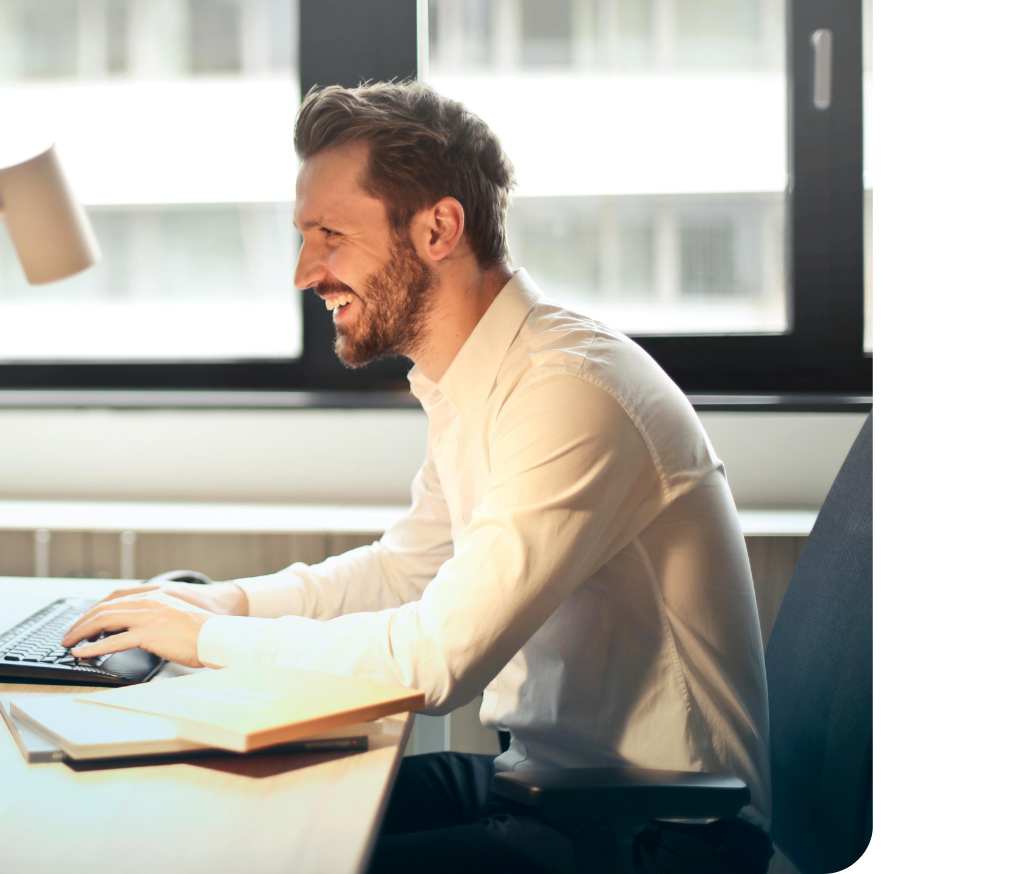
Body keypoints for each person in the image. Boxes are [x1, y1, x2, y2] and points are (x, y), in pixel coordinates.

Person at [61, 81, 774, 874]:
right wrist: (224, 602)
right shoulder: (472, 379)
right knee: (215, 816)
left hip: (657, 836)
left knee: (262, 854)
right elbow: (406, 571)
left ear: (438, 227)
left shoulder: (570, 391)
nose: (305, 271)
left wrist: (204, 639)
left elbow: (437, 660)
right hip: (545, 790)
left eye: (329, 233)